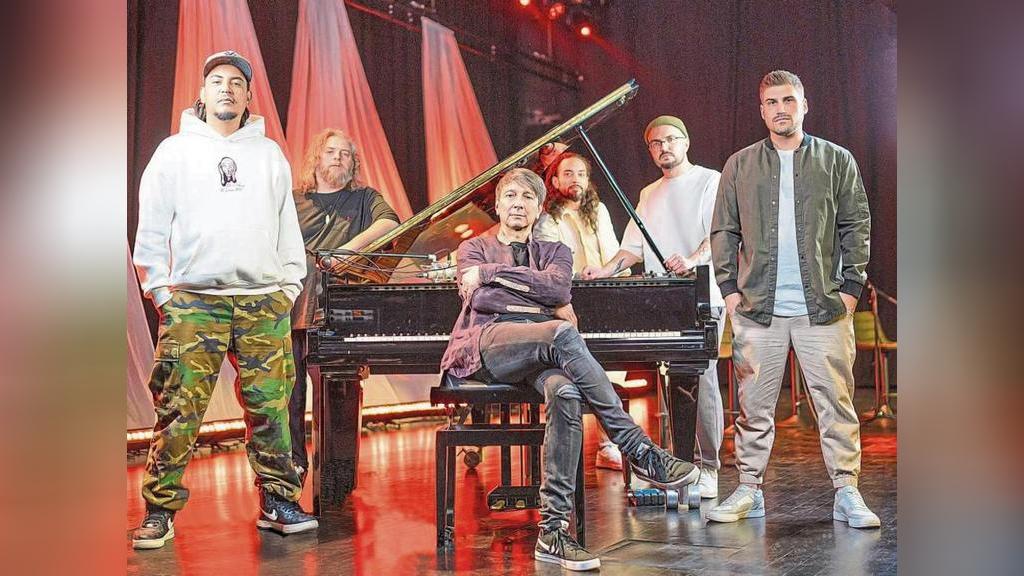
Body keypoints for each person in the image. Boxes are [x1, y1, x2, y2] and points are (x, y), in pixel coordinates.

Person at [440, 168, 700, 571]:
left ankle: (553, 532)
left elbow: (558, 289)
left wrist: (493, 276)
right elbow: (486, 303)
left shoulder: (556, 252)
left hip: (543, 351)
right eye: (510, 196)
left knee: (565, 393)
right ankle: (639, 450)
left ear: (539, 208)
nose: (518, 204)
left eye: (527, 197)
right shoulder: (473, 248)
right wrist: (537, 298)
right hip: (488, 343)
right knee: (561, 331)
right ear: (498, 205)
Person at [131, 50, 316, 550]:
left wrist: (287, 288)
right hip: (196, 301)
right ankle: (159, 510)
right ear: (203, 93)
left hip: (262, 301)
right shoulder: (174, 152)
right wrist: (161, 290)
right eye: (217, 81)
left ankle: (278, 501)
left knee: (272, 409)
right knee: (179, 408)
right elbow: (152, 226)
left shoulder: (269, 154)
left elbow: (286, 228)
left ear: (248, 95)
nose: (227, 89)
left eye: (236, 82)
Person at [707, 70, 879, 528]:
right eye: (771, 102)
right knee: (753, 407)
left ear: (804, 105)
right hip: (757, 308)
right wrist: (729, 291)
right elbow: (723, 230)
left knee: (836, 403)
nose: (780, 109)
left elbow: (857, 224)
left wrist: (850, 289)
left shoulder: (836, 160)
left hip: (822, 307)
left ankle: (847, 491)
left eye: (788, 100)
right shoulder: (740, 164)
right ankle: (749, 490)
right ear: (762, 111)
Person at [581, 115, 726, 499]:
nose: (664, 147)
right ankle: (678, 467)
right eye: (655, 143)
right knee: (670, 383)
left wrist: (691, 260)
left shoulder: (709, 181)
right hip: (663, 299)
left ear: (686, 142)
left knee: (702, 381)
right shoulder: (648, 193)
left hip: (703, 294)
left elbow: (719, 235)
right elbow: (630, 249)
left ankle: (708, 467)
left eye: (670, 140)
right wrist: (605, 271)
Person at [287, 129, 400, 483]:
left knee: (339, 399)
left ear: (353, 164)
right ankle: (293, 470)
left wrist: (347, 251)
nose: (338, 157)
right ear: (316, 159)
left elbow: (390, 223)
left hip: (337, 316)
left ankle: (337, 477)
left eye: (345, 153)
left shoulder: (364, 198)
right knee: (288, 398)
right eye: (330, 151)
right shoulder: (293, 200)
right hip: (290, 311)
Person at [537, 150, 628, 470]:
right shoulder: (547, 218)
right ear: (554, 181)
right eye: (568, 174)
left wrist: (606, 272)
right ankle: (570, 451)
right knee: (574, 375)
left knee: (608, 372)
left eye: (581, 174)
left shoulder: (599, 210)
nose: (575, 179)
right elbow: (549, 265)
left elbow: (615, 252)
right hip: (566, 302)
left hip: (603, 298)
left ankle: (608, 444)